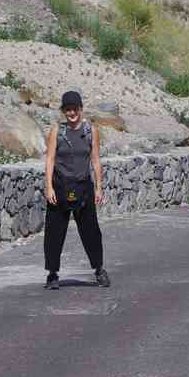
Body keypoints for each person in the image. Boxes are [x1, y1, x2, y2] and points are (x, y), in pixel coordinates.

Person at [43, 90, 111, 289]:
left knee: (91, 232)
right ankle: (52, 275)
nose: (71, 113)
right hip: (60, 187)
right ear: (63, 111)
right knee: (54, 233)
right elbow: (50, 159)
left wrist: (99, 188)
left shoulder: (91, 131)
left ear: (81, 109)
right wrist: (48, 187)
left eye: (75, 109)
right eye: (67, 109)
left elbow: (96, 160)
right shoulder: (57, 131)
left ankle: (99, 270)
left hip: (84, 188)